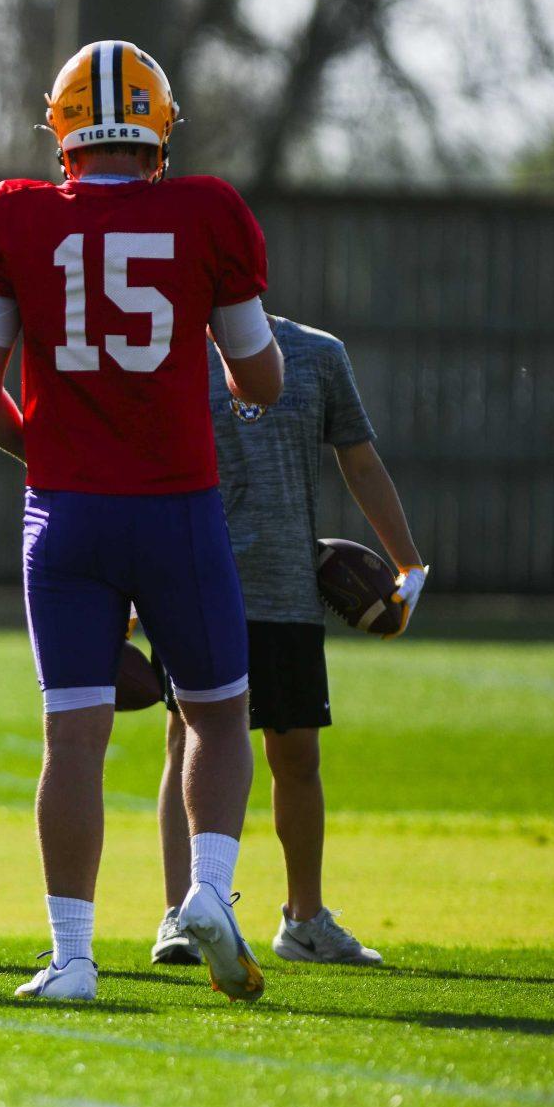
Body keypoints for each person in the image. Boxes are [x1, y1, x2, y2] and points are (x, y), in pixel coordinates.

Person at [0, 40, 284, 1005]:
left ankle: (71, 956)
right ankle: (208, 893)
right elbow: (260, 375)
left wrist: (57, 457)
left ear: (61, 130)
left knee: (73, 737)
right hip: (175, 504)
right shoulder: (206, 212)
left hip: (63, 517)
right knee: (219, 716)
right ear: (156, 133)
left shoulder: (11, 217)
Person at [150, 316, 425, 968]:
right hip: (193, 581)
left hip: (288, 588)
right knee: (185, 741)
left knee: (296, 754)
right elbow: (149, 472)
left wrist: (409, 564)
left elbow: (359, 459)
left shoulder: (317, 352)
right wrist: (137, 582)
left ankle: (304, 919)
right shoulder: (168, 350)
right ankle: (179, 916)